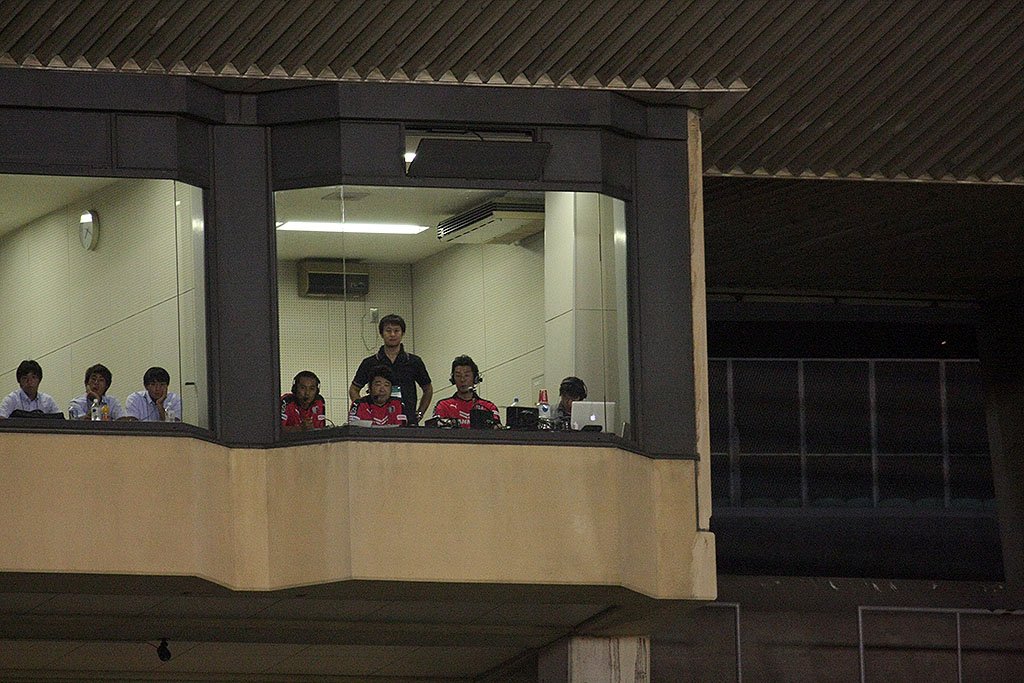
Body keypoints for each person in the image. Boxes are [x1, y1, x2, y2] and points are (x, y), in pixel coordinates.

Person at [349, 314, 432, 425]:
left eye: (396, 331)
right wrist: (362, 410)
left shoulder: (414, 361)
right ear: (381, 334)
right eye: (388, 331)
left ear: (403, 333)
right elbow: (354, 389)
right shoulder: (369, 363)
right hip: (374, 425)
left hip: (407, 422)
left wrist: (419, 414)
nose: (392, 334)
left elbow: (428, 389)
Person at [432, 355, 501, 429]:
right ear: (453, 379)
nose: (462, 379)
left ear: (475, 378)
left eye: (467, 375)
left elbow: (498, 431)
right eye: (458, 376)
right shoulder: (443, 406)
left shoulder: (488, 407)